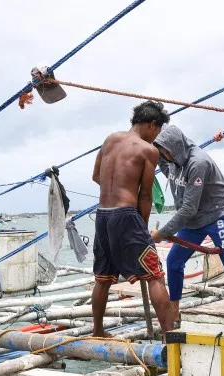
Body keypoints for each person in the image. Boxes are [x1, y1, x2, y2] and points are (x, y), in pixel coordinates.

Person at [150, 124, 224, 318]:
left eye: (167, 152)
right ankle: (175, 312)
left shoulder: (198, 163)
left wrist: (161, 234)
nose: (165, 157)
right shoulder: (169, 160)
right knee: (174, 261)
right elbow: (156, 154)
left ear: (176, 147)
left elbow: (188, 208)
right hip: (193, 221)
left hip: (216, 214)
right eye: (162, 153)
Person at [91, 100, 174, 336]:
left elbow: (96, 176)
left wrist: (117, 187)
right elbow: (146, 196)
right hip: (125, 216)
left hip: (103, 215)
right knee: (155, 276)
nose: (156, 136)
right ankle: (170, 337)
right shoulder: (148, 151)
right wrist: (142, 227)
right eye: (157, 131)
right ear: (151, 124)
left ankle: (97, 330)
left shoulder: (111, 139)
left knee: (103, 277)